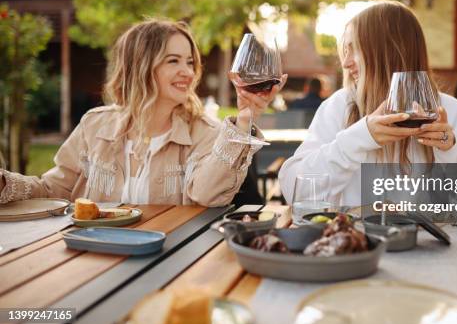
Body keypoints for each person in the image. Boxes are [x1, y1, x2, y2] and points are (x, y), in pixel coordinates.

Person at [0, 19, 285, 206]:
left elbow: (207, 195)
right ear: (140, 67)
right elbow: (53, 190)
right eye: (173, 61)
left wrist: (246, 117)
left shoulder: (205, 132)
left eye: (189, 61)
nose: (187, 72)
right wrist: (4, 183)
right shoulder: (94, 125)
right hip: (91, 258)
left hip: (169, 263)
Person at [278, 1, 457, 206]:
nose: (345, 63)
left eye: (353, 49)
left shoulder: (452, 112)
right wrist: (358, 138)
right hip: (358, 237)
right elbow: (294, 191)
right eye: (344, 51)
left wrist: (449, 151)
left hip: (431, 238)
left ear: (389, 52)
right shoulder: (340, 106)